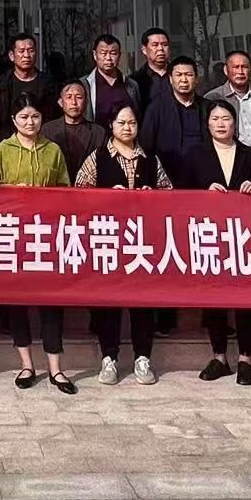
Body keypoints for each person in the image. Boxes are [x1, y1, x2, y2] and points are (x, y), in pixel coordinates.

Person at [74, 100, 170, 387]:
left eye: (132, 123)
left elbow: (170, 195)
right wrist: (104, 196)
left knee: (143, 302)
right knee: (109, 301)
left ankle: (143, 358)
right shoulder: (98, 157)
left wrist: (152, 195)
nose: (127, 128)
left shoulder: (150, 158)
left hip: (142, 241)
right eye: (121, 123)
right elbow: (77, 194)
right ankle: (109, 358)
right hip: (108, 241)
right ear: (111, 126)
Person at [0, 99, 75, 394]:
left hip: (46, 235)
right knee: (17, 302)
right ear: (14, 119)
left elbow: (65, 190)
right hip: (13, 236)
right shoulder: (1, 150)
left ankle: (56, 369)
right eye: (24, 116)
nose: (30, 122)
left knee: (51, 303)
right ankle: (26, 364)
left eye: (35, 116)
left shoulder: (53, 150)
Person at [184, 98, 251, 386]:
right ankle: (219, 356)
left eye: (226, 118)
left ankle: (245, 359)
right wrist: (203, 192)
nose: (221, 124)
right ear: (207, 125)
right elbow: (182, 194)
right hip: (209, 235)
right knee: (214, 297)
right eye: (215, 119)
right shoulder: (195, 154)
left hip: (243, 237)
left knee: (245, 299)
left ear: (235, 123)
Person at [140, 55, 209, 183]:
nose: (184, 80)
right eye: (179, 75)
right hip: (167, 177)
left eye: (189, 75)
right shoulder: (156, 108)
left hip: (204, 177)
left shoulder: (208, 107)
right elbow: (146, 145)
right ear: (171, 79)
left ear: (196, 79)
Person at [202, 51, 251, 157]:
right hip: (228, 160)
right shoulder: (212, 97)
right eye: (236, 67)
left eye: (245, 67)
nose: (240, 71)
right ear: (226, 70)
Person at [41, 80, 106, 182]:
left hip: (89, 187)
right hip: (57, 186)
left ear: (86, 102)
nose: (74, 102)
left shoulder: (98, 132)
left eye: (79, 97)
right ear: (60, 102)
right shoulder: (48, 130)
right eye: (69, 97)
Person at [0, 32, 59, 123]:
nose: (26, 55)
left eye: (31, 51)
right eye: (21, 51)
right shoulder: (2, 84)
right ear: (11, 55)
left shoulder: (49, 84)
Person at [80, 33, 141, 123]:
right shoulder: (83, 85)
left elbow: (138, 116)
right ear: (95, 55)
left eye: (113, 53)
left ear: (119, 55)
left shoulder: (132, 85)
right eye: (103, 53)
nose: (108, 58)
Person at [131, 27, 174, 111]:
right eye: (155, 45)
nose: (160, 49)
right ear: (144, 50)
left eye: (165, 45)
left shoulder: (179, 75)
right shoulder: (134, 80)